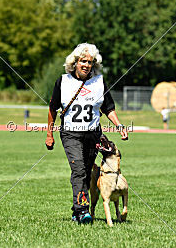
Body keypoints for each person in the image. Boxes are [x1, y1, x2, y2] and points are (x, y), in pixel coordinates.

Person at [45, 43, 128, 224]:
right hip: (70, 133)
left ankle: (77, 211)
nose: (86, 65)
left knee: (88, 171)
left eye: (90, 62)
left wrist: (119, 125)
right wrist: (49, 134)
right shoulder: (63, 82)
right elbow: (52, 109)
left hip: (93, 134)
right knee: (79, 169)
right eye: (83, 61)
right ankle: (83, 210)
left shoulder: (99, 82)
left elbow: (109, 108)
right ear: (75, 62)